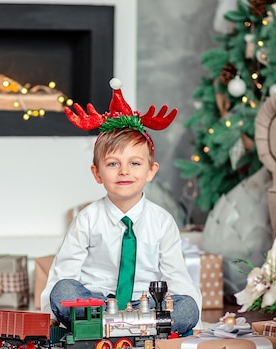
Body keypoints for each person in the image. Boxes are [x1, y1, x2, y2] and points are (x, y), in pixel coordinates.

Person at [40, 78, 202, 335]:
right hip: (96, 303)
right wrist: (49, 315)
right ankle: (122, 327)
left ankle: (113, 329)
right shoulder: (88, 219)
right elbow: (64, 270)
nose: (124, 171)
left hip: (146, 305)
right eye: (113, 164)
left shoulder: (162, 221)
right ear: (97, 173)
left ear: (151, 171)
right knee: (64, 291)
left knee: (188, 308)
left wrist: (196, 320)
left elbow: (178, 276)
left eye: (135, 163)